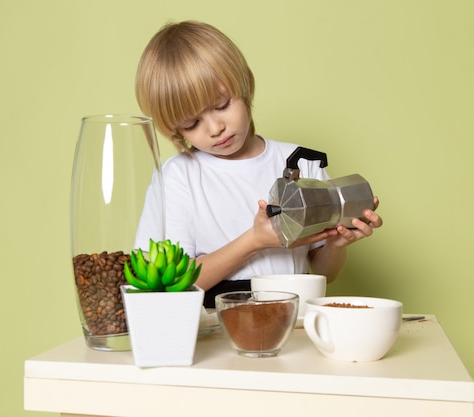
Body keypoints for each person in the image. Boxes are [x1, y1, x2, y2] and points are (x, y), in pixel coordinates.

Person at [134, 21, 383, 307]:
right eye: (192, 124)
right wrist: (254, 240)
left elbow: (326, 272)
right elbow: (169, 286)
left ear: (244, 85)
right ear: (176, 130)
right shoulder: (179, 177)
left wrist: (336, 244)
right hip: (213, 330)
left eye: (222, 105)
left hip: (293, 320)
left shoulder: (301, 162)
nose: (215, 128)